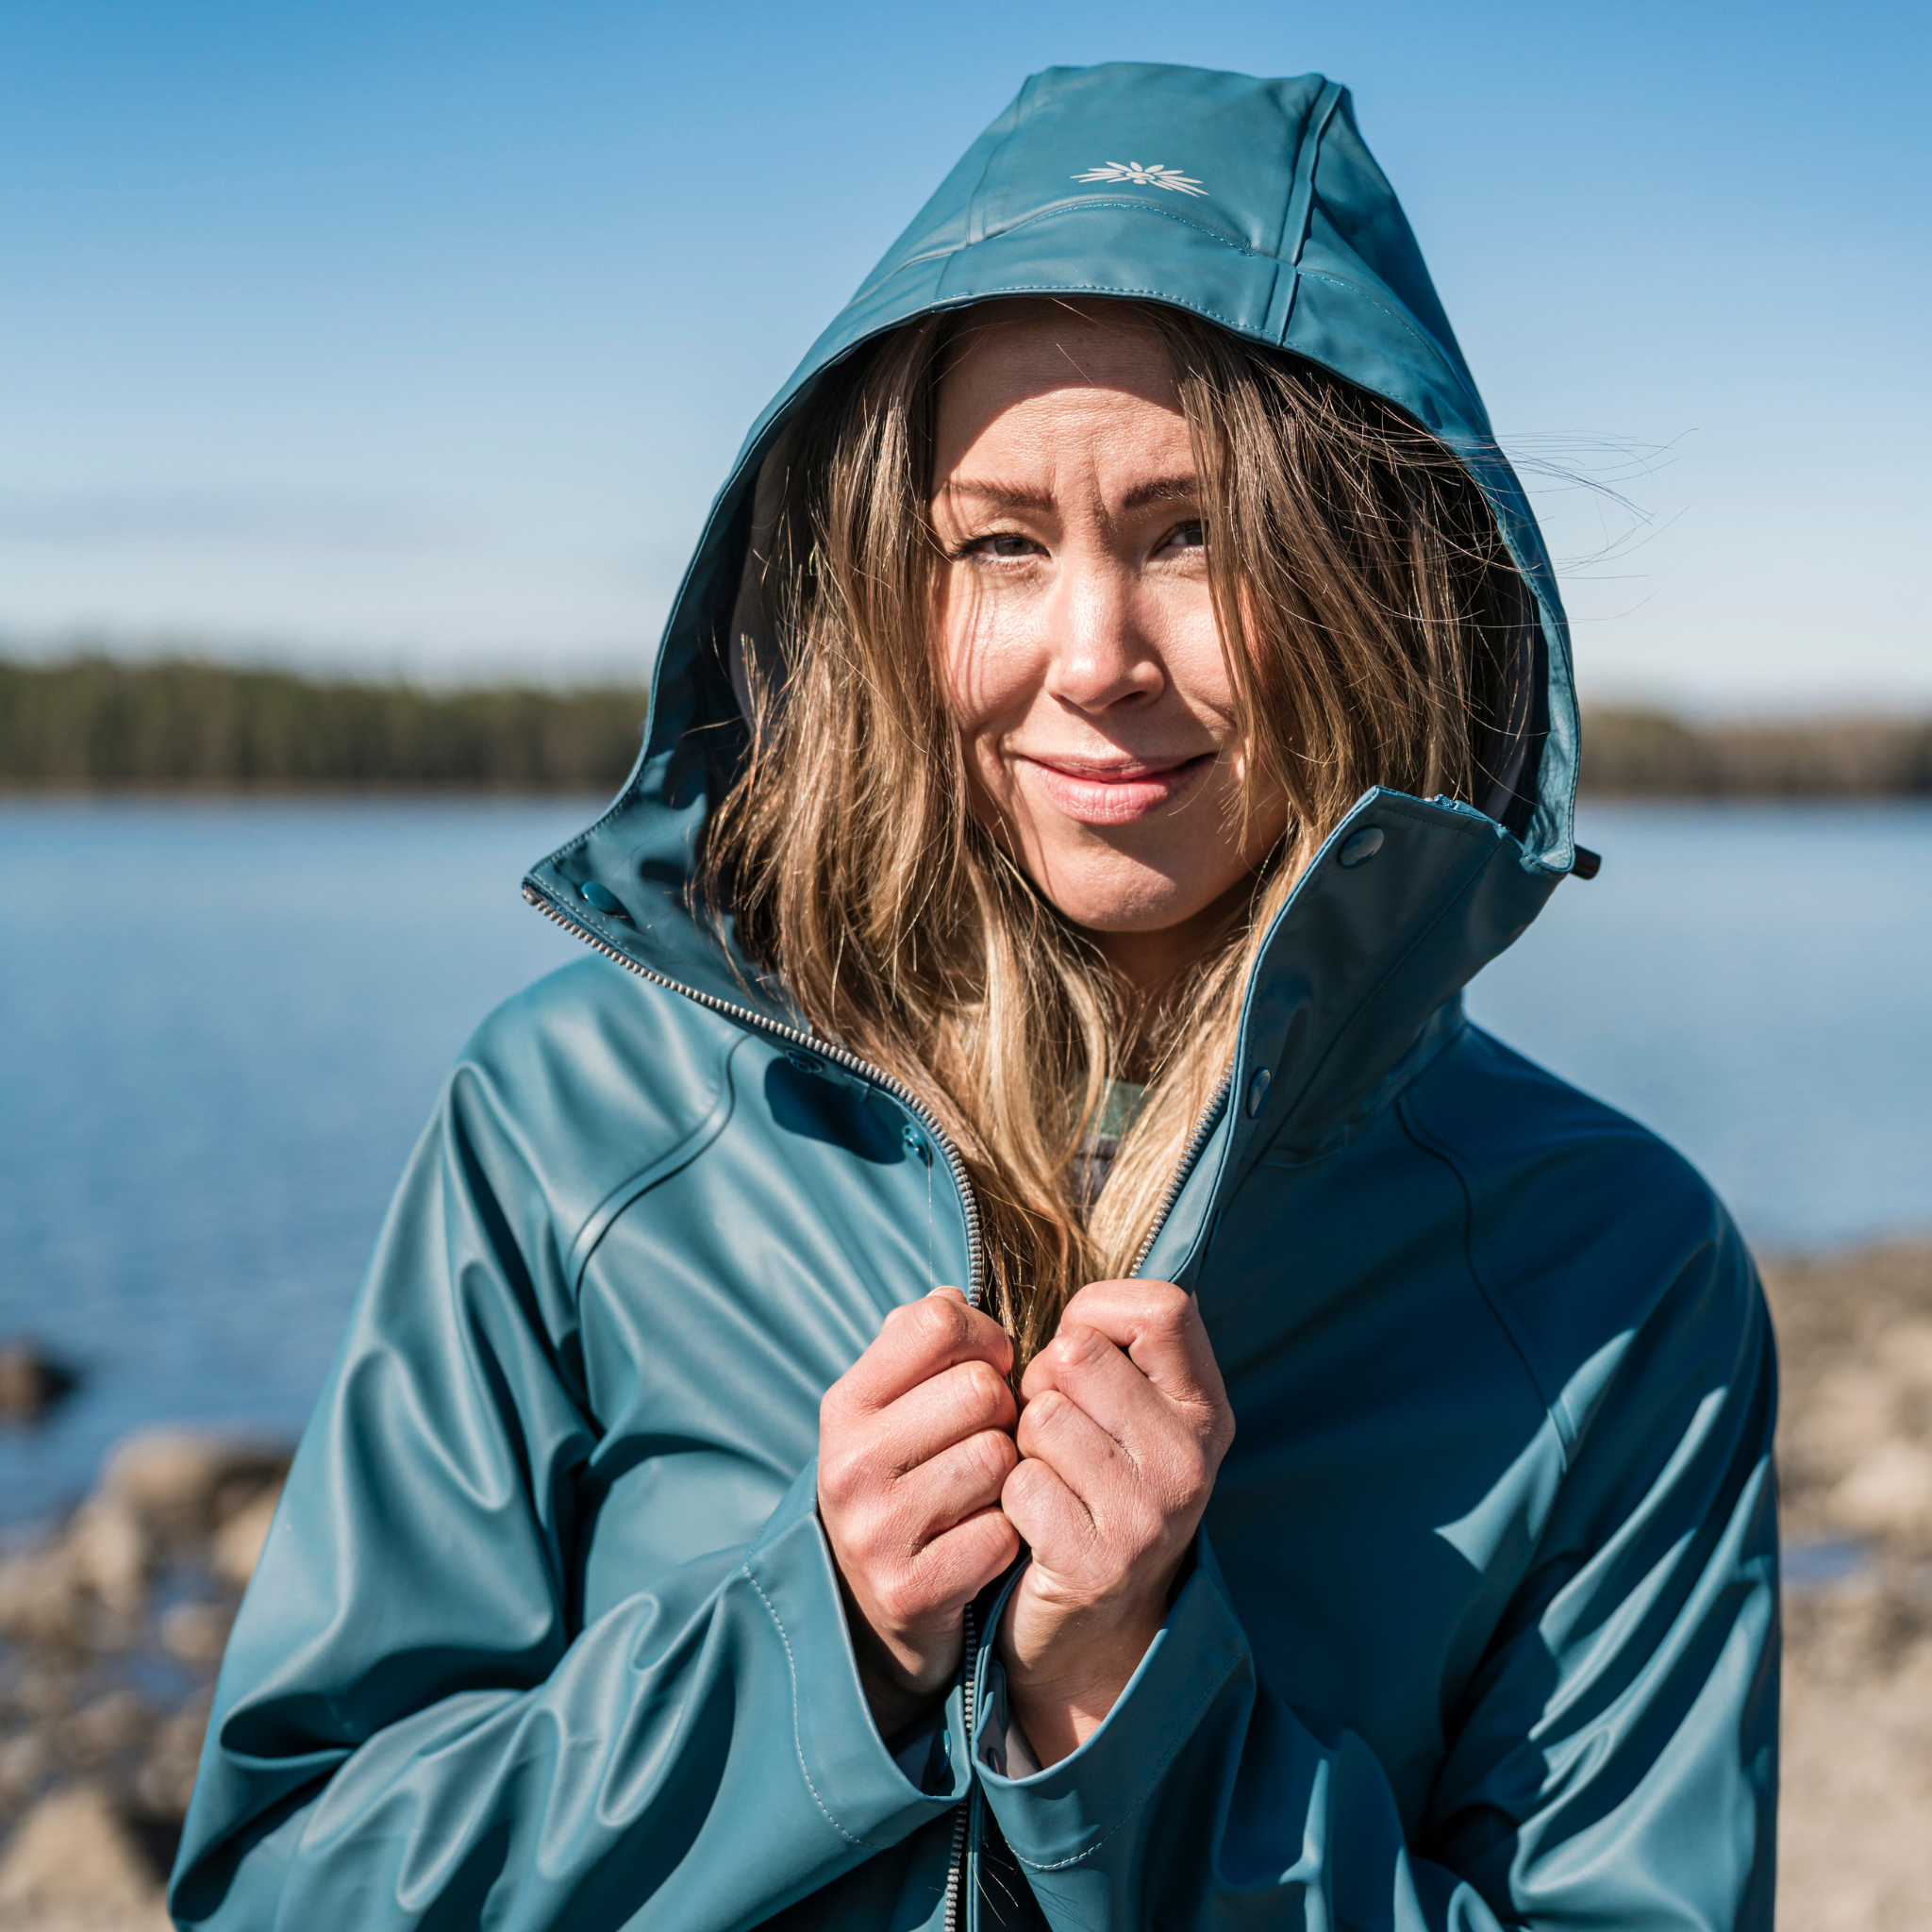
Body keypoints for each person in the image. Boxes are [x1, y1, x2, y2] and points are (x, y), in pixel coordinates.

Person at [170, 60, 1777, 1932]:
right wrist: (814, 1651)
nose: (1093, 658)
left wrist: (1133, 1713)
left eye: (1196, 535)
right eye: (999, 543)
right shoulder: (573, 1123)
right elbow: (286, 1886)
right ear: (884, 581)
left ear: (1381, 577)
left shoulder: (1612, 1273)